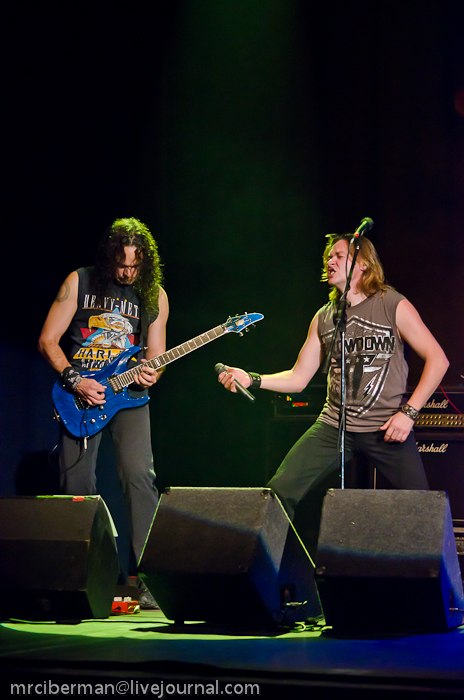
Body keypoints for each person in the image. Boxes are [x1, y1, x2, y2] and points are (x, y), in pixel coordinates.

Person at [217, 232, 449, 521]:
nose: (330, 261)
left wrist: (409, 413)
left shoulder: (391, 304)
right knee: (278, 492)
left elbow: (438, 359)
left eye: (338, 256)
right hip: (333, 427)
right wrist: (252, 378)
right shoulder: (324, 317)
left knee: (423, 509)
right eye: (328, 257)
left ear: (363, 264)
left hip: (385, 427)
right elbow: (298, 378)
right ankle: (265, 551)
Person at [38, 217, 168, 608]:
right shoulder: (79, 281)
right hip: (80, 395)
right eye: (121, 264)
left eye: (135, 265)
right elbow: (48, 340)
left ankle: (153, 581)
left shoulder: (154, 295)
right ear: (108, 257)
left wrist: (152, 373)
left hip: (128, 396)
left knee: (140, 477)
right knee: (77, 483)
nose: (127, 272)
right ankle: (81, 578)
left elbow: (156, 356)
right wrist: (76, 380)